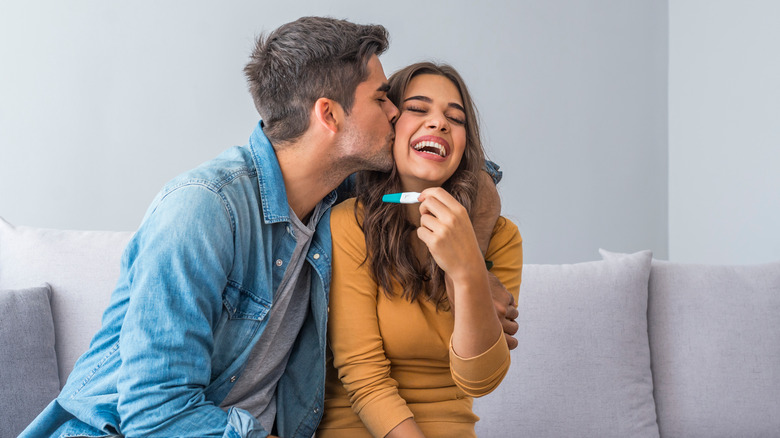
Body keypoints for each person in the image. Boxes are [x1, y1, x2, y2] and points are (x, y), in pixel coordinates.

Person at [21, 17, 517, 438]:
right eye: (383, 99)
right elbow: (156, 415)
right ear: (329, 114)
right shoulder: (203, 211)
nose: (395, 112)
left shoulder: (336, 197)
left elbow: (474, 173)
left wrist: (471, 267)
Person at [316, 62, 523, 438]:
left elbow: (480, 381)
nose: (439, 123)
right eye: (417, 108)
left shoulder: (502, 238)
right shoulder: (349, 224)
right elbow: (363, 376)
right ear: (389, 125)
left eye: (454, 118)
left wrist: (467, 267)